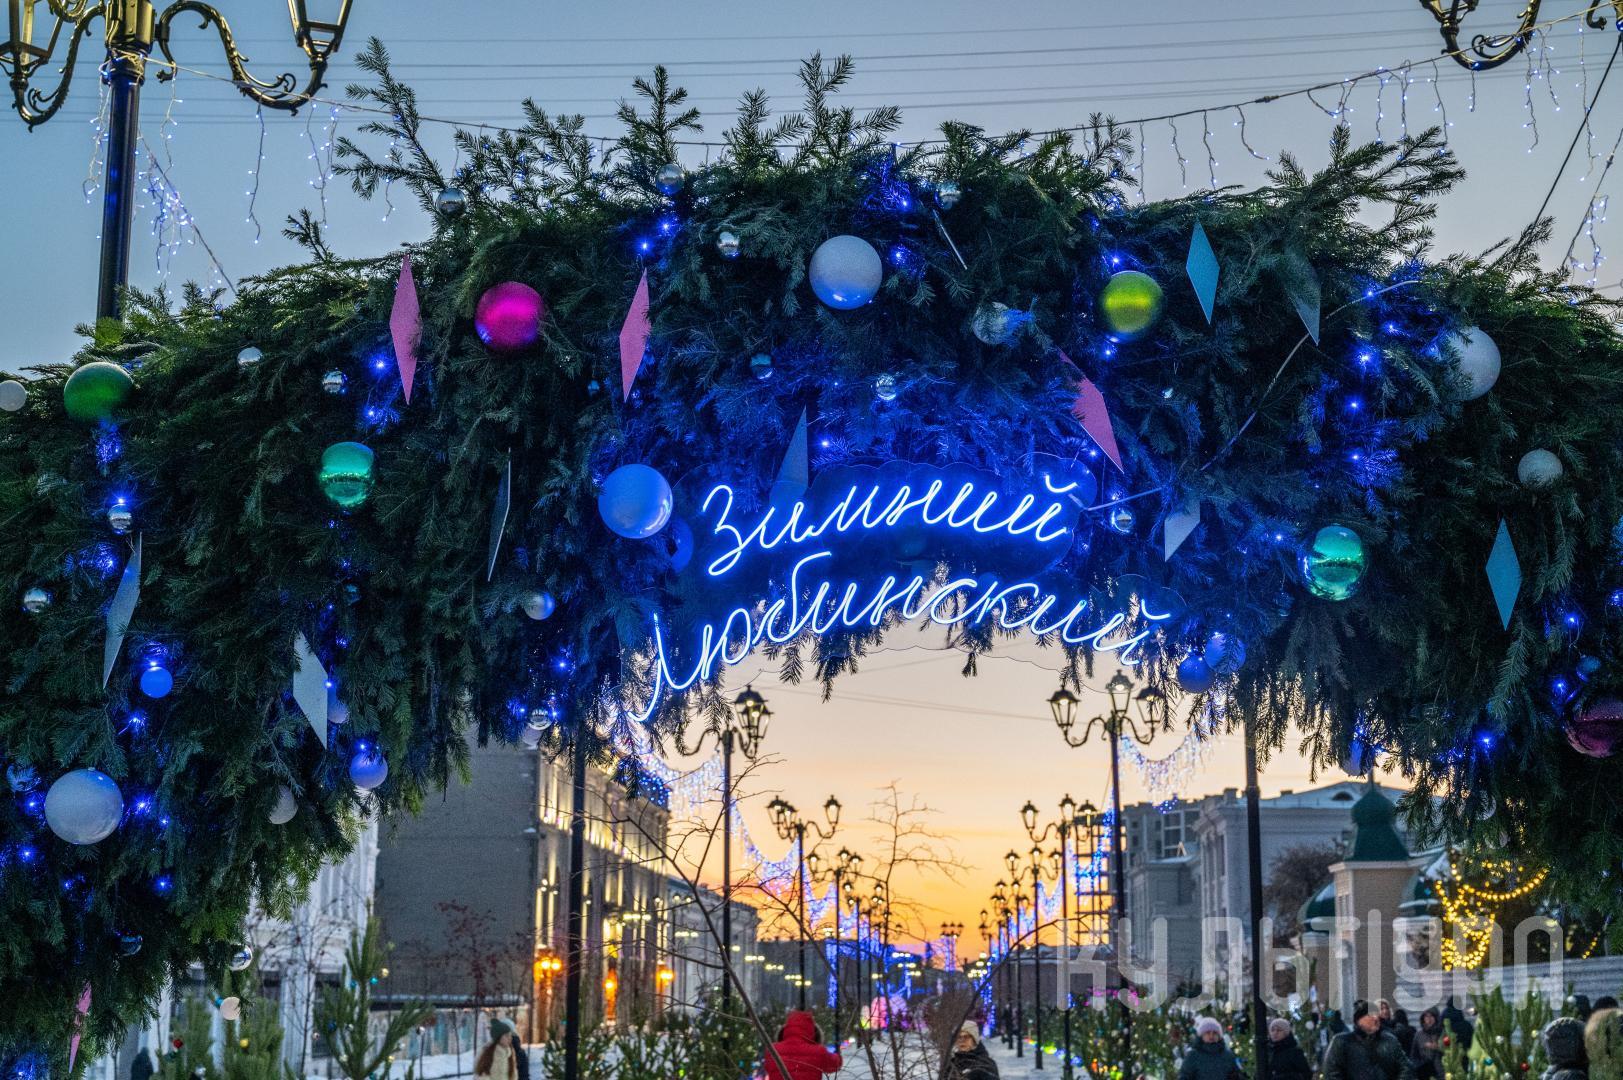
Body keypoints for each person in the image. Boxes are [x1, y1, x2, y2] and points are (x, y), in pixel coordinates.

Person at [1322, 1000, 1415, 1080]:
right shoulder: (1342, 1042)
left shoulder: (1389, 1040)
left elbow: (1406, 1067)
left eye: (1376, 1014)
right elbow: (1332, 1073)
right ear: (1358, 1020)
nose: (1375, 1018)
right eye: (1370, 1015)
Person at [763, 1009, 842, 1080]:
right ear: (813, 1031)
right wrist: (838, 1053)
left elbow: (767, 1068)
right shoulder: (818, 1052)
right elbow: (836, 1065)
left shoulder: (772, 1051)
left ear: (785, 1029)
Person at [1178, 1016, 1247, 1080]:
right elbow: (1184, 1076)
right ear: (1201, 1035)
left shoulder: (1228, 1056)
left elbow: (1237, 1076)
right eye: (1208, 1032)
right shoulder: (1193, 1056)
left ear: (1219, 1036)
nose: (1211, 1036)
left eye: (1215, 1033)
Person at [1409, 1009, 1445, 1080]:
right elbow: (1413, 1056)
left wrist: (1438, 1048)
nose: (1429, 1019)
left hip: (1441, 1074)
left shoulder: (1443, 1033)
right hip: (1425, 1074)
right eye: (1426, 1016)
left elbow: (1451, 1051)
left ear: (1436, 1018)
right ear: (1423, 1019)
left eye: (1431, 1016)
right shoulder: (1418, 1035)